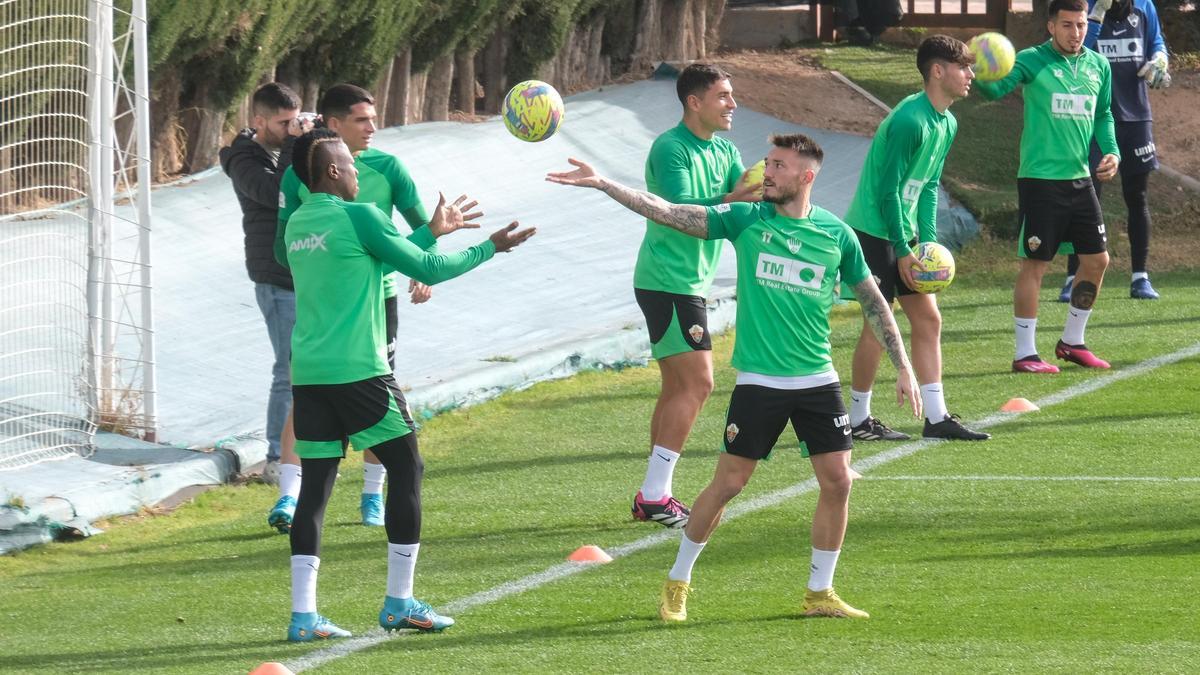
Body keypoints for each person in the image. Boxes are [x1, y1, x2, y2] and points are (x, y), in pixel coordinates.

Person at [547, 133, 920, 622]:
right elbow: (669, 212)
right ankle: (677, 581)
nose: (768, 173)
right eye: (769, 163)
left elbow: (873, 300)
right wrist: (604, 184)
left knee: (838, 483)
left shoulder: (837, 235)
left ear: (806, 177)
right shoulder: (746, 220)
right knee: (728, 484)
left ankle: (819, 592)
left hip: (817, 381)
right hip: (761, 384)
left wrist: (904, 367)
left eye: (780, 166)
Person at [279, 128, 535, 641]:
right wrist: (490, 247)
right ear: (332, 171)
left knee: (316, 492)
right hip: (361, 373)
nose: (357, 170)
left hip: (309, 377)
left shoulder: (296, 226)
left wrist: (431, 229)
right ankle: (399, 602)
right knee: (407, 465)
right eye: (350, 163)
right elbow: (427, 271)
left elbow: (367, 262)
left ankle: (303, 617)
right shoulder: (360, 215)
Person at [278, 84, 475, 528]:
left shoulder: (388, 167)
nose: (373, 127)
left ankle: (371, 492)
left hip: (377, 300)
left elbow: (415, 233)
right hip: (329, 303)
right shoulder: (301, 176)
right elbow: (284, 247)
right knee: (368, 407)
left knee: (372, 393)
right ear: (334, 126)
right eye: (362, 119)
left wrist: (417, 267)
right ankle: (288, 496)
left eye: (373, 118)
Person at [631, 64, 760, 529]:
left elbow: (737, 207)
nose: (733, 104)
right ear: (695, 102)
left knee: (676, 387)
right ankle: (654, 494)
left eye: (732, 94)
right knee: (698, 383)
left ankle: (652, 492)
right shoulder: (670, 149)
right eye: (723, 96)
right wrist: (737, 196)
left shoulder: (724, 149)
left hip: (688, 283)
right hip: (667, 280)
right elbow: (681, 212)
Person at [843, 35, 990, 442]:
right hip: (875, 232)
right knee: (879, 325)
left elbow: (928, 186)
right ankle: (857, 420)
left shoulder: (947, 121)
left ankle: (937, 417)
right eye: (963, 67)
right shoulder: (911, 120)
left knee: (928, 318)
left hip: (904, 234)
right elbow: (888, 190)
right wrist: (904, 250)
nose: (970, 75)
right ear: (938, 71)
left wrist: (927, 245)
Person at [974, 0, 1121, 374]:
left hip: (1080, 179)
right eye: (1068, 25)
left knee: (1097, 260)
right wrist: (979, 70)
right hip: (1040, 181)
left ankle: (1072, 342)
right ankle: (1025, 353)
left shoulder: (1097, 65)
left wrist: (1112, 152)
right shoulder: (1030, 59)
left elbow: (1103, 113)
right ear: (1051, 26)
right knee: (1036, 264)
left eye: (1081, 25)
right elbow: (996, 91)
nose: (1076, 33)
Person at [218, 82, 311, 529]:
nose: (289, 128)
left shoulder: (283, 147)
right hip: (275, 279)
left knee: (304, 365)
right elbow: (278, 195)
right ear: (259, 121)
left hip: (302, 271)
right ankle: (277, 457)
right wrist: (295, 144)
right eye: (282, 123)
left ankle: (299, 449)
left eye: (294, 120)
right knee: (288, 369)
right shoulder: (242, 159)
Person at [1057, 0, 1170, 302]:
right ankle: (1072, 277)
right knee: (1083, 197)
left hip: (1135, 118)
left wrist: (1159, 59)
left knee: (1137, 196)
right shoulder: (1086, 8)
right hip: (1090, 119)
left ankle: (1140, 277)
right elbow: (1075, 52)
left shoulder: (1144, 6)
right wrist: (1097, 14)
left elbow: (1156, 41)